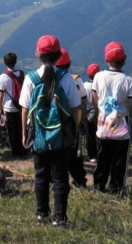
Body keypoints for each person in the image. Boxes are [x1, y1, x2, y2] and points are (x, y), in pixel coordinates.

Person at [20, 34, 81, 227]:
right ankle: (60, 218)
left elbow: (24, 109)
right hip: (61, 137)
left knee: (41, 175)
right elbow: (75, 107)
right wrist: (75, 131)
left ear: (38, 54)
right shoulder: (66, 79)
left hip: (38, 135)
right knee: (60, 176)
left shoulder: (30, 79)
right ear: (58, 55)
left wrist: (24, 134)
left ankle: (41, 215)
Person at [92, 42, 132, 195]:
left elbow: (95, 99)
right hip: (121, 127)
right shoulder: (129, 81)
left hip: (103, 126)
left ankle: (99, 185)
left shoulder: (98, 76)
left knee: (102, 157)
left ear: (107, 60)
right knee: (119, 160)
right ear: (124, 60)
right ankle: (116, 187)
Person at [55, 48, 88, 188]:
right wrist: (80, 122)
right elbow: (78, 104)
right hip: (69, 121)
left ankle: (55, 179)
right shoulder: (73, 79)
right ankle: (79, 180)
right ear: (69, 64)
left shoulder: (48, 77)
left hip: (53, 121)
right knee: (74, 155)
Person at [0, 51, 27, 157]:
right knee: (21, 128)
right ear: (16, 61)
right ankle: (24, 149)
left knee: (11, 131)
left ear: (5, 62)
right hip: (21, 106)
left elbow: (1, 94)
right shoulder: (22, 74)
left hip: (9, 107)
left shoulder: (3, 77)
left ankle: (15, 151)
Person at [84, 63, 100, 163]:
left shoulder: (85, 86)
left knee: (89, 135)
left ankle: (91, 155)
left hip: (87, 114)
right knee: (99, 134)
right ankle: (99, 153)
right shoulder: (100, 86)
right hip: (99, 113)